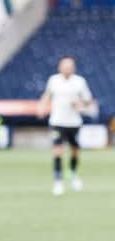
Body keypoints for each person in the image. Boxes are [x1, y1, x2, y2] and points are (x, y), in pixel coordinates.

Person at [38, 56, 95, 196]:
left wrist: (80, 104)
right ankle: (58, 181)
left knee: (74, 150)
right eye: (65, 65)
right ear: (60, 67)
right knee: (57, 150)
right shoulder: (53, 80)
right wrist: (42, 106)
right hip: (57, 121)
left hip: (73, 122)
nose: (67, 68)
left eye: (70, 66)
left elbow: (88, 101)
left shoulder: (80, 82)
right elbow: (47, 95)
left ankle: (73, 174)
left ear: (73, 68)